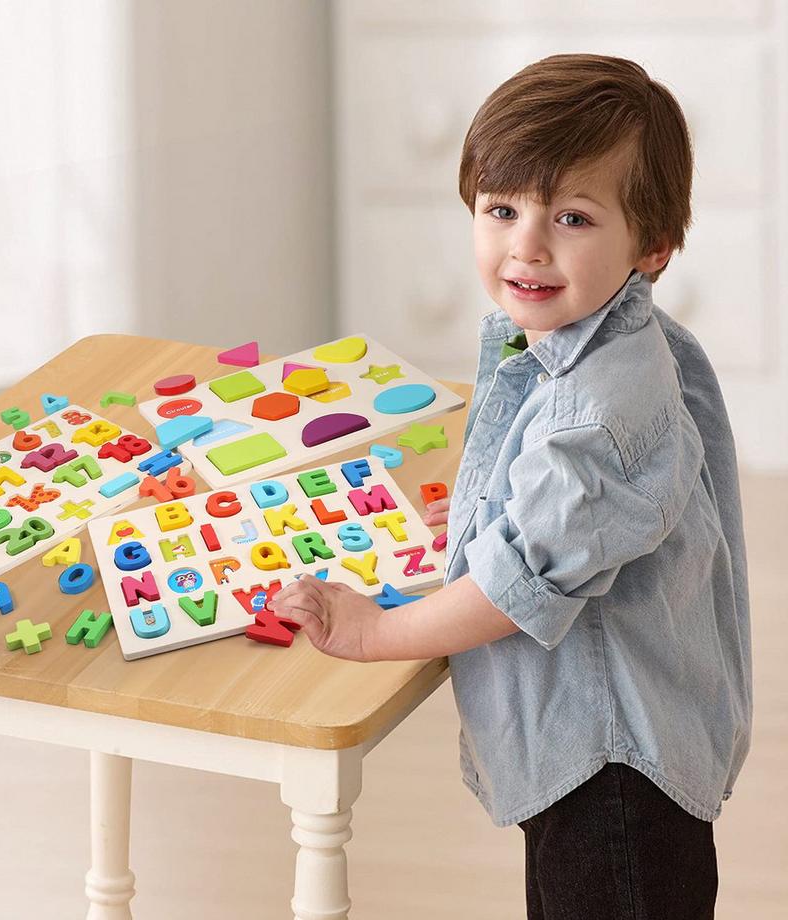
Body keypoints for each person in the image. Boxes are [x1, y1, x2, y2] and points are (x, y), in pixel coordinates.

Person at [266, 53, 751, 918]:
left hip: (612, 770)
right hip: (616, 745)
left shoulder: (597, 414)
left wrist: (377, 630)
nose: (526, 244)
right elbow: (586, 513)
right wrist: (504, 507)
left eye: (571, 216)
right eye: (502, 208)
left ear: (652, 247)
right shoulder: (613, 337)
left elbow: (515, 588)